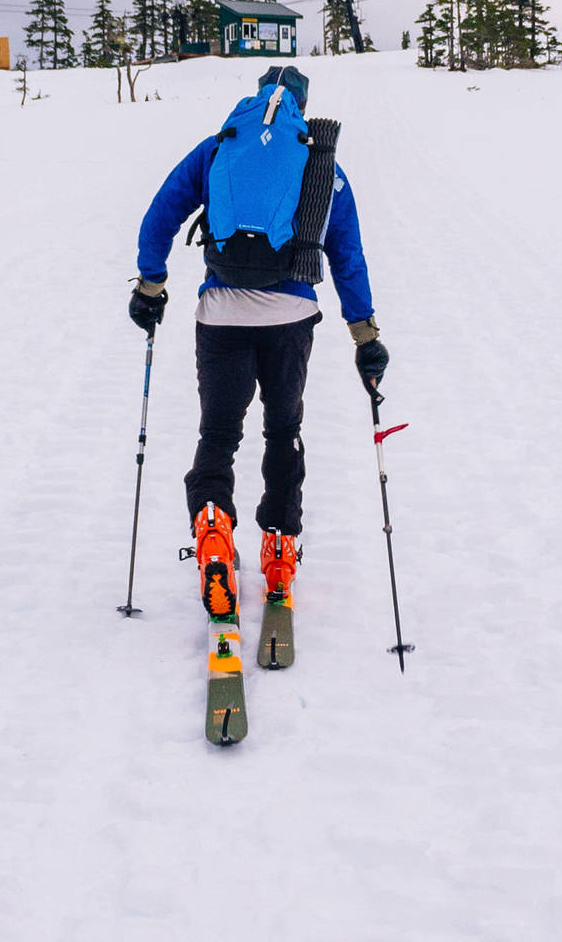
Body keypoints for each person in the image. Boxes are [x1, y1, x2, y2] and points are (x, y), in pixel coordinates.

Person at [128, 66, 388, 619]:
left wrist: (151, 285)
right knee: (283, 429)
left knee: (219, 433)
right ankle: (278, 546)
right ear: (302, 106)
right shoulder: (322, 167)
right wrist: (365, 337)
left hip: (220, 312)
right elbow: (348, 257)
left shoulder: (218, 146)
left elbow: (161, 214)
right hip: (291, 316)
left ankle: (214, 533)